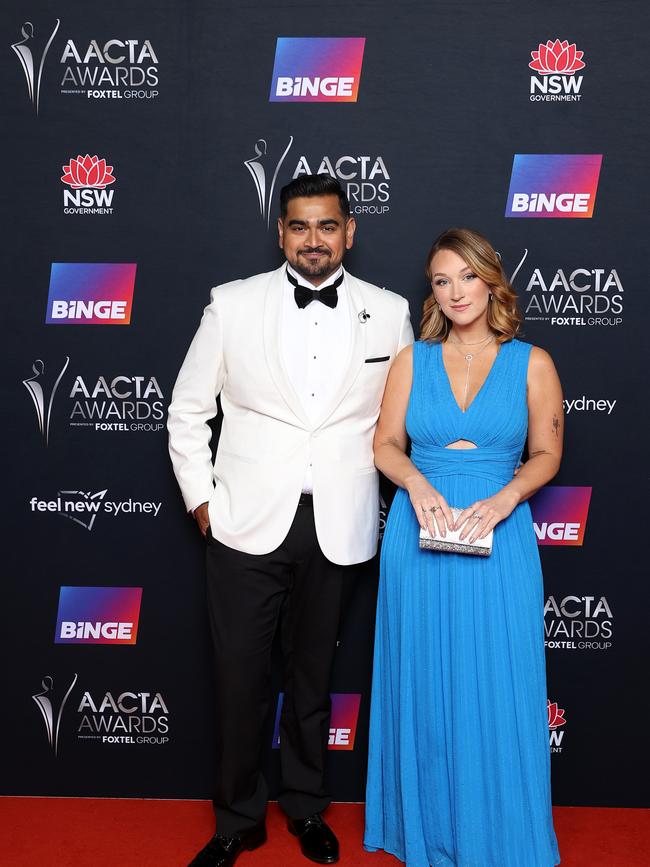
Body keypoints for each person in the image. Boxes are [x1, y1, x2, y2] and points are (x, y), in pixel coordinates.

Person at [167, 174, 413, 867]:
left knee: (312, 679)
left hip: (340, 523)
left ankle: (306, 805)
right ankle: (237, 818)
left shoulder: (389, 312)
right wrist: (202, 500)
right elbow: (188, 411)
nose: (314, 240)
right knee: (241, 677)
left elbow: (400, 421)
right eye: (300, 226)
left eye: (327, 226)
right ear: (281, 232)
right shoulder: (231, 304)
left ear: (349, 231)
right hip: (245, 521)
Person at [364, 228, 562, 866]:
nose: (456, 292)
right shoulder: (410, 361)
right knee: (422, 682)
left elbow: (547, 454)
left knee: (496, 682)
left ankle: (499, 832)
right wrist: (418, 486)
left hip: (498, 537)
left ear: (491, 281)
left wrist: (504, 501)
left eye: (468, 277)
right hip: (419, 538)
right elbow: (385, 445)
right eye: (442, 281)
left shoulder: (532, 362)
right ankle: (426, 830)